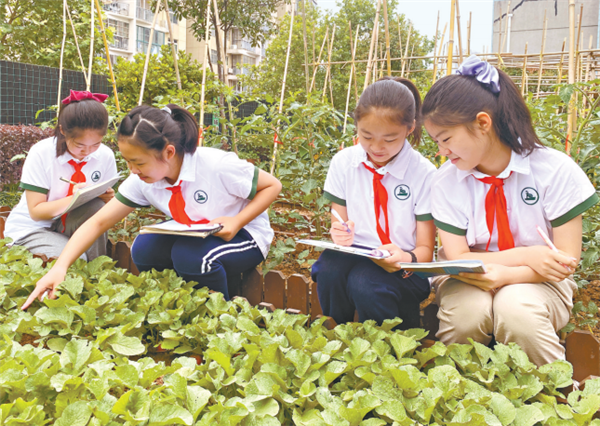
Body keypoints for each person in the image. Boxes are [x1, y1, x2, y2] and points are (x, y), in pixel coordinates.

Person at [422, 55, 599, 366]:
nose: (442, 151)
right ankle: (460, 393)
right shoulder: (445, 181)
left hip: (542, 281)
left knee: (518, 310)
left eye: (446, 139)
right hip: (467, 277)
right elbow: (459, 258)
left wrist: (510, 274)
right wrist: (527, 255)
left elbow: (565, 261)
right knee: (466, 314)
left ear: (482, 123)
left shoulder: (554, 170)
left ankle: (550, 397)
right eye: (437, 142)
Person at [22, 104, 282, 309]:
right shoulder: (143, 179)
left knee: (192, 257)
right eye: (128, 162)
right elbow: (98, 221)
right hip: (195, 232)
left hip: (243, 234)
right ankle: (175, 305)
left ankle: (219, 314)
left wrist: (237, 221)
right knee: (144, 248)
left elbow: (273, 186)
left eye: (139, 163)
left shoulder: (216, 165)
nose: (132, 171)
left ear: (168, 153)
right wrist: (60, 267)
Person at [311, 77, 436, 329]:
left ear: (410, 128)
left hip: (406, 265)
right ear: (356, 125)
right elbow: (340, 223)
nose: (376, 147)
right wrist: (341, 234)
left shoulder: (424, 173)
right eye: (366, 136)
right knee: (328, 270)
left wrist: (402, 256)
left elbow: (424, 250)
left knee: (365, 281)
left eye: (389, 139)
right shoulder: (344, 162)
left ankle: (389, 349)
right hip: (357, 255)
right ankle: (343, 334)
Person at [5, 90, 117, 261]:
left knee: (97, 208)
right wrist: (76, 197)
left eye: (96, 144)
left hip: (68, 223)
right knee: (75, 260)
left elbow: (105, 207)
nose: (87, 151)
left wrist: (108, 199)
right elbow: (36, 211)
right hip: (33, 228)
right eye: (80, 144)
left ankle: (98, 271)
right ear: (63, 131)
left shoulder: (105, 155)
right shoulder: (42, 153)